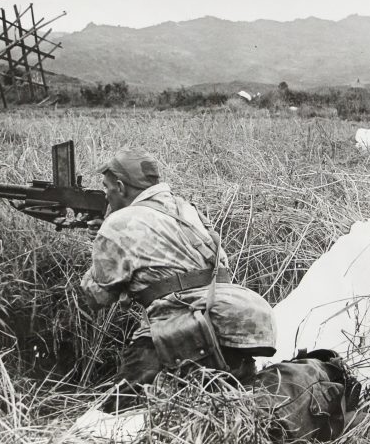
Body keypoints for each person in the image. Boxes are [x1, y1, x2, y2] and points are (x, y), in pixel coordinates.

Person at [80, 147, 277, 407]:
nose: (104, 194)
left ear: (120, 186)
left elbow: (96, 297)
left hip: (186, 325)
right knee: (231, 407)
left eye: (106, 187)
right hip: (241, 319)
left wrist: (103, 242)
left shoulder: (118, 223)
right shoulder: (185, 208)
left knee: (119, 415)